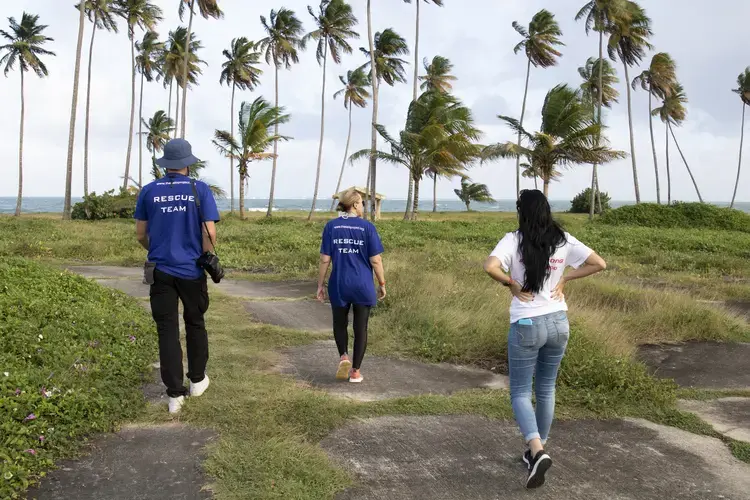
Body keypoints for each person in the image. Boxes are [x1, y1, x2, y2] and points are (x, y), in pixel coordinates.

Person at [483, 189, 606, 489]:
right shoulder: (563, 239)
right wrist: (565, 278)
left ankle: (537, 450)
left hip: (527, 323)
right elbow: (599, 263)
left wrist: (511, 284)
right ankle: (537, 450)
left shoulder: (513, 239)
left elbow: (489, 266)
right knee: (547, 387)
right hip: (558, 322)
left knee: (521, 392)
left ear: (522, 212)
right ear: (546, 211)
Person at [134, 138, 220, 414]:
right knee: (195, 323)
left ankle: (174, 396)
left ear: (165, 164)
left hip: (160, 271)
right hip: (192, 271)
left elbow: (140, 234)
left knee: (166, 330)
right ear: (187, 163)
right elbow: (211, 233)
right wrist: (203, 256)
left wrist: (157, 250)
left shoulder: (149, 191)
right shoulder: (200, 189)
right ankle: (196, 380)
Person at [317, 188, 386, 383]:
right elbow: (376, 261)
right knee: (360, 327)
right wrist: (382, 283)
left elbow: (324, 259)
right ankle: (355, 372)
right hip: (363, 284)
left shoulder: (331, 227)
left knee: (339, 323)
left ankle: (343, 357)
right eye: (362, 203)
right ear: (355, 204)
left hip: (339, 283)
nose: (363, 206)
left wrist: (320, 285)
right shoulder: (367, 227)